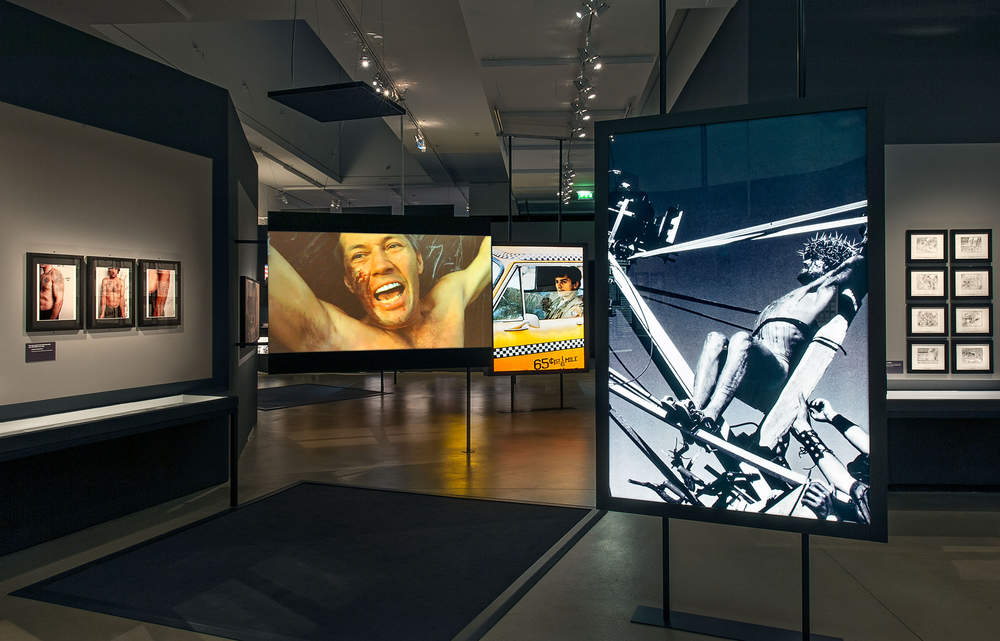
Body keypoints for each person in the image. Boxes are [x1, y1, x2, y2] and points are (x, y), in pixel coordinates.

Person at [676, 231, 867, 436]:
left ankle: (711, 414)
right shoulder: (792, 296)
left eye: (813, 258)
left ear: (828, 264)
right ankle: (694, 405)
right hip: (748, 366)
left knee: (742, 339)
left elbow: (854, 265)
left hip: (775, 371)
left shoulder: (826, 291)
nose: (806, 262)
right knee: (714, 338)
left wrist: (868, 239)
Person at [269, 233, 491, 351]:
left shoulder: (448, 299)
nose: (381, 265)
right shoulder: (334, 336)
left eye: (393, 246)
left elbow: (489, 258)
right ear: (349, 283)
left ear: (419, 261)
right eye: (359, 256)